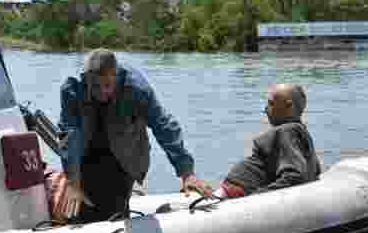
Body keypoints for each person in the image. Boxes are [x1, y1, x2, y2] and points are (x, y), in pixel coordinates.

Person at [55, 49, 212, 222]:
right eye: (95, 86)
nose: (101, 92)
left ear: (116, 76)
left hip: (125, 154)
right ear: (87, 79)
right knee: (80, 210)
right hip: (87, 151)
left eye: (107, 85)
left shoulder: (136, 88)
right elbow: (69, 135)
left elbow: (163, 125)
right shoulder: (72, 89)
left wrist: (186, 173)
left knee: (111, 209)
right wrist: (73, 181)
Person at [220, 83, 321, 198]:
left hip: (236, 194)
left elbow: (295, 176)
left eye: (271, 103)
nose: (265, 109)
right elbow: (313, 171)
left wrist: (257, 196)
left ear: (288, 106)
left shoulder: (286, 131)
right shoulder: (300, 134)